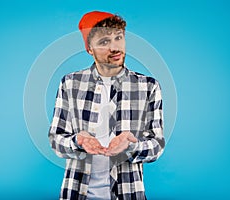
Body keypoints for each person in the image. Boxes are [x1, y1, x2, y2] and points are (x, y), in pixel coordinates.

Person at [48, 10, 165, 200]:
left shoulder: (148, 86)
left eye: (118, 38)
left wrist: (130, 146)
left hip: (128, 193)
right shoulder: (70, 83)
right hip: (77, 193)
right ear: (89, 49)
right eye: (104, 42)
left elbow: (157, 145)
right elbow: (56, 140)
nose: (115, 47)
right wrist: (78, 141)